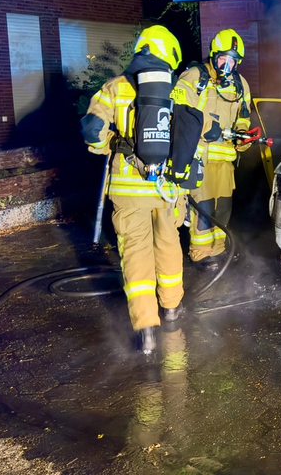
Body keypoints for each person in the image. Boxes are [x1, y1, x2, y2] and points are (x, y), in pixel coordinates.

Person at [81, 25, 203, 355]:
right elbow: (192, 130)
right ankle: (173, 310)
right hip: (166, 189)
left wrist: (111, 144)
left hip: (127, 189)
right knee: (168, 245)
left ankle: (147, 328)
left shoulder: (116, 87)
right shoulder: (176, 89)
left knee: (136, 254)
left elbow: (92, 129)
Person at [181, 28, 253, 272]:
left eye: (233, 60)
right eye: (223, 58)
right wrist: (203, 130)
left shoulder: (240, 85)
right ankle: (200, 253)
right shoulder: (194, 77)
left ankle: (219, 249)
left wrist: (243, 135)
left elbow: (243, 117)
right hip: (199, 158)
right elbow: (179, 116)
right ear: (213, 55)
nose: (227, 64)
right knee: (203, 208)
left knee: (223, 207)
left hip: (225, 161)